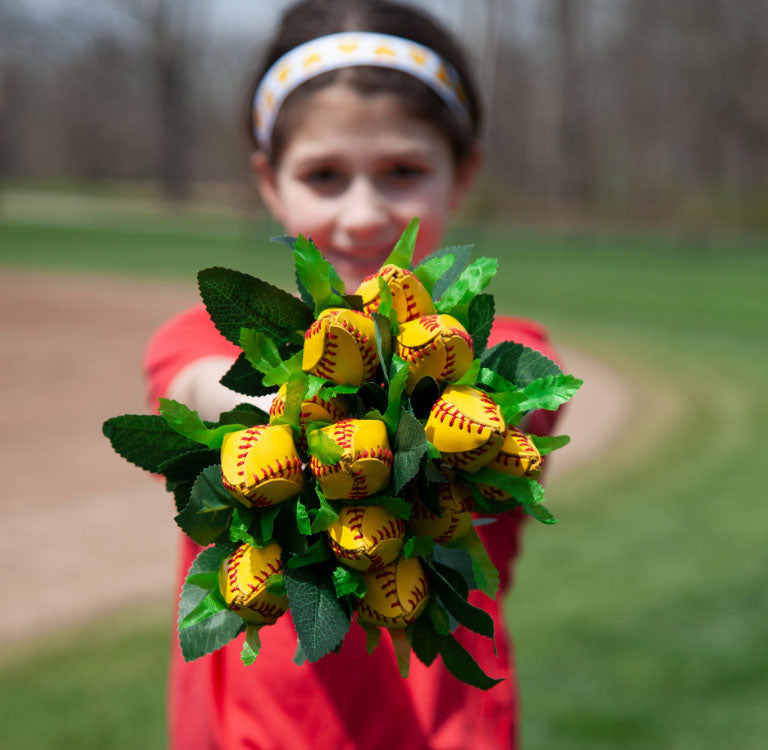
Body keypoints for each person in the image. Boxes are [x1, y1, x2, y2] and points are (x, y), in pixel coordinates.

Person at [144, 2, 562, 748]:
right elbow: (196, 386)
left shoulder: (487, 355)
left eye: (402, 171)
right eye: (325, 175)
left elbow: (519, 408)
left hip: (442, 732)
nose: (364, 215)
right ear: (270, 182)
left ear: (462, 173)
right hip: (250, 732)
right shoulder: (213, 338)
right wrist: (276, 401)